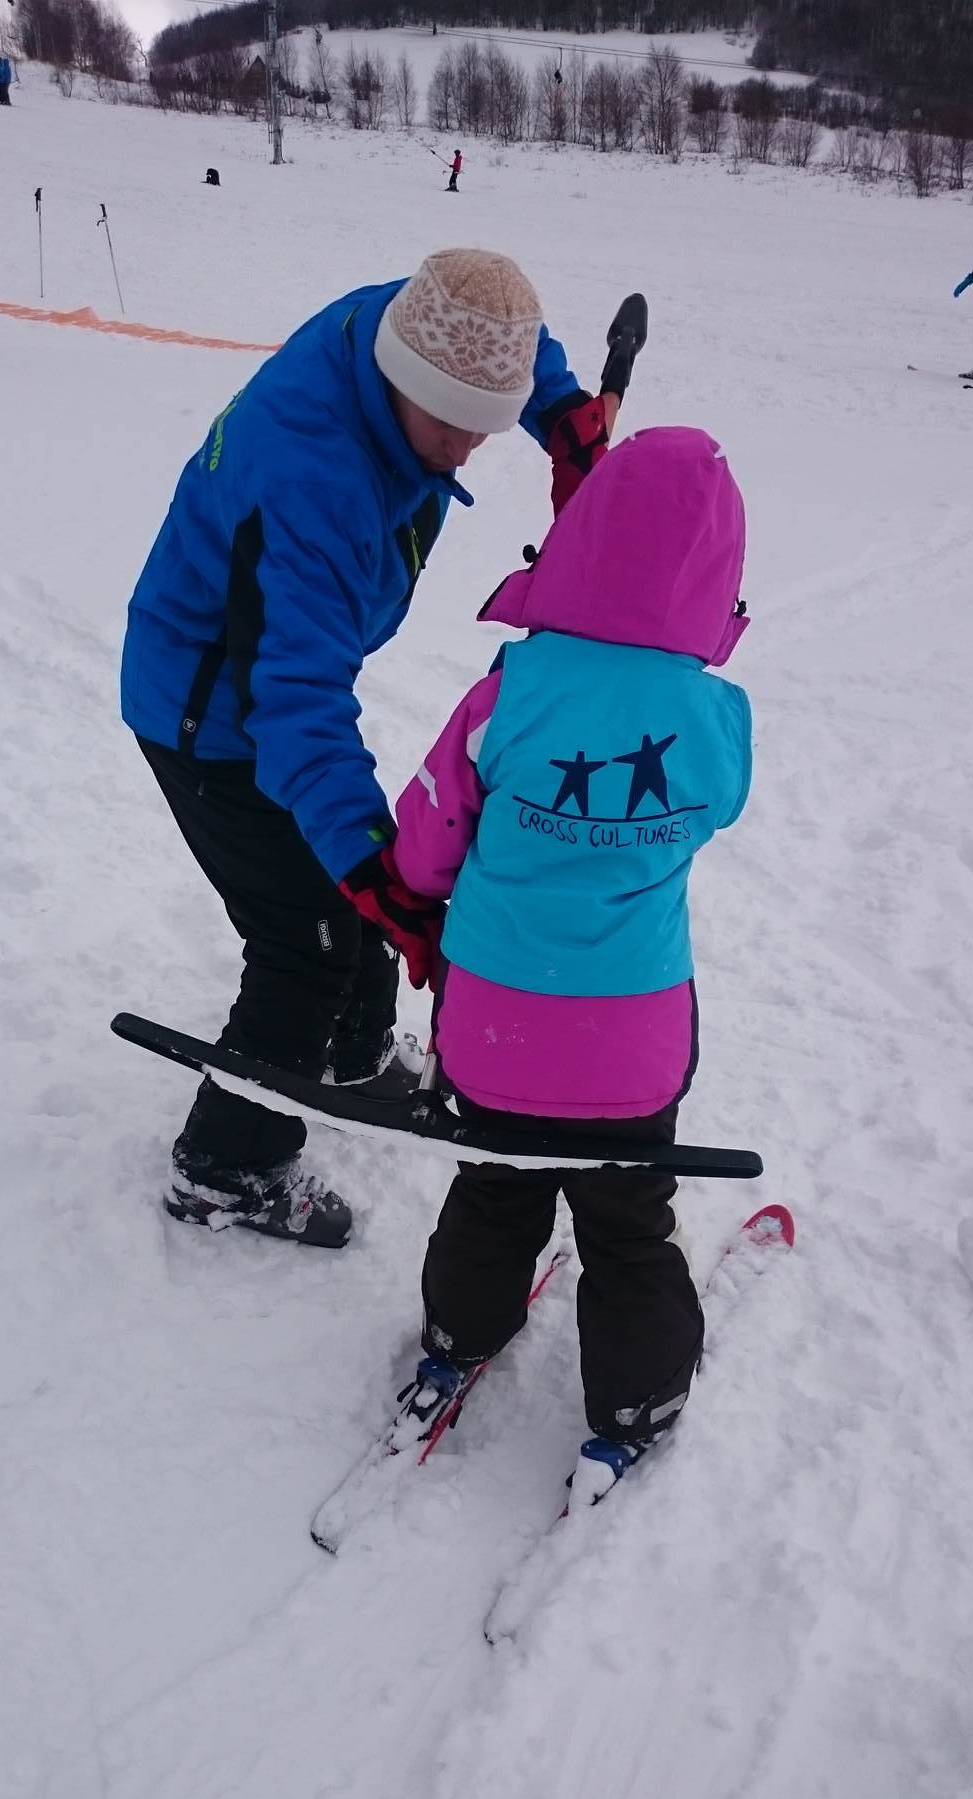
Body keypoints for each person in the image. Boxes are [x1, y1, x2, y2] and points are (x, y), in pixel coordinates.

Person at [121, 251, 641, 1249]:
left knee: (352, 878)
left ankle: (352, 1056)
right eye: (450, 423)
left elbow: (504, 341)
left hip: (270, 678)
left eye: (485, 424)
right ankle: (226, 1169)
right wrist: (372, 872)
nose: (466, 448)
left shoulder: (410, 318)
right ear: (403, 377)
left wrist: (561, 415)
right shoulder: (311, 481)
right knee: (308, 939)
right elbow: (293, 705)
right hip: (209, 716)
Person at [390, 426, 753, 1501]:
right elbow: (718, 807)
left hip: (493, 1026)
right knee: (628, 1219)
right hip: (630, 1037)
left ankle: (459, 1332)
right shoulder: (714, 715)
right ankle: (635, 1401)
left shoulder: (510, 689)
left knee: (495, 1188)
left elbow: (424, 844)